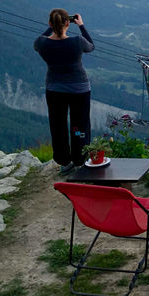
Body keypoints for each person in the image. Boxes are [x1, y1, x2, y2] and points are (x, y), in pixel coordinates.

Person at [33, 9, 94, 173]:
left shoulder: (42, 43)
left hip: (54, 89)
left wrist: (51, 28)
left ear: (50, 24)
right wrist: (81, 26)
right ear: (68, 23)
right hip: (79, 89)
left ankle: (64, 162)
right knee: (79, 125)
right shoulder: (77, 41)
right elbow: (91, 46)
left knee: (58, 125)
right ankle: (80, 159)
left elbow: (39, 40)